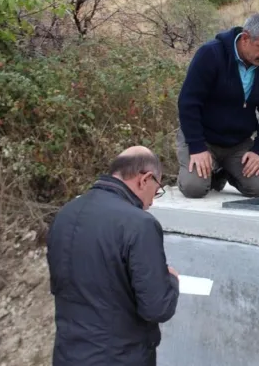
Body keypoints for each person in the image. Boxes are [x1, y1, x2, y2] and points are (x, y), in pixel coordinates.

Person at [46, 146, 180, 366]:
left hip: (67, 355)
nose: (152, 202)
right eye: (156, 191)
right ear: (145, 179)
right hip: (119, 357)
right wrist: (171, 280)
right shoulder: (140, 224)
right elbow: (157, 307)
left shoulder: (65, 213)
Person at [176, 13, 259, 199]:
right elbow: (188, 103)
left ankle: (225, 171)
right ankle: (209, 170)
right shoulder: (211, 54)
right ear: (245, 38)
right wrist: (196, 147)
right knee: (194, 188)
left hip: (238, 143)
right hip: (203, 137)